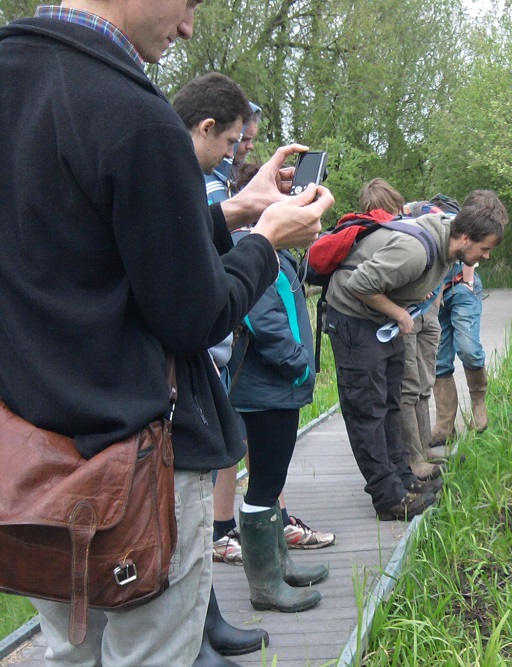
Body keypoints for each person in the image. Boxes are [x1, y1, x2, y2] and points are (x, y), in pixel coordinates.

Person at [0, 2, 334, 665]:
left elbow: (90, 249)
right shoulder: (135, 114)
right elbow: (192, 313)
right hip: (136, 467)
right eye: (188, 4)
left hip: (31, 464)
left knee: (70, 653)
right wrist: (267, 242)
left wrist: (234, 211)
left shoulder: (15, 73)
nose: (187, 28)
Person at [194, 96, 332, 566]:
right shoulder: (224, 210)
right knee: (250, 463)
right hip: (253, 368)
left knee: (262, 468)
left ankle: (271, 558)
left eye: (247, 139)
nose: (242, 147)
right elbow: (257, 303)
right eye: (236, 140)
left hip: (247, 366)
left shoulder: (233, 214)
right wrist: (295, 362)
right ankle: (258, 567)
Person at [325, 187, 508, 520]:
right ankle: (387, 497)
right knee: (369, 409)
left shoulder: (448, 247)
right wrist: (399, 314)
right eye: (485, 249)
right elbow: (357, 285)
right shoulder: (415, 251)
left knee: (392, 403)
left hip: (382, 321)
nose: (486, 256)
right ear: (465, 237)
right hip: (352, 318)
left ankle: (404, 479)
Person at [173, 70, 271, 666]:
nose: (238, 152)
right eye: (233, 142)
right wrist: (262, 238)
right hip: (180, 368)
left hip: (198, 366)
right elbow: (198, 302)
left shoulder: (193, 182)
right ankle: (193, 636)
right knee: (179, 515)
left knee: (191, 512)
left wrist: (239, 212)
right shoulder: (175, 175)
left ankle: (204, 625)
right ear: (207, 129)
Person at [358, 180, 443, 482]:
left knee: (423, 378)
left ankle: (425, 445)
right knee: (408, 383)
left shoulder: (409, 225)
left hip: (423, 312)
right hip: (400, 317)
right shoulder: (378, 236)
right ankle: (413, 456)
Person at [430, 196, 490, 450]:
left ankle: (479, 405)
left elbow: (471, 255)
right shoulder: (431, 227)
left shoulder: (467, 229)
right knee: (439, 358)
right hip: (437, 291)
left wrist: (467, 280)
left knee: (467, 346)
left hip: (463, 287)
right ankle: (445, 425)